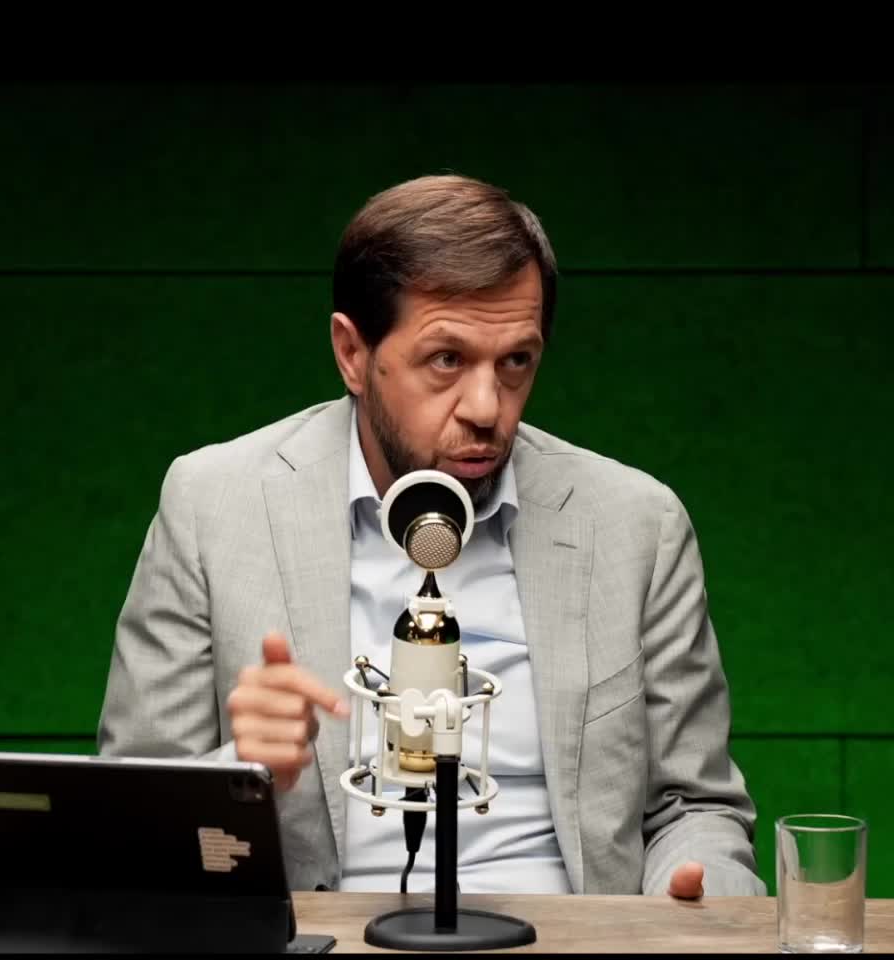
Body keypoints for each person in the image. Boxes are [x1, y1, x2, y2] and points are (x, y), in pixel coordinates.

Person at [97, 174, 765, 899]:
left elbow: (696, 807)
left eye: (516, 362)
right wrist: (239, 772)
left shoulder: (636, 525)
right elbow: (119, 824)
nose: (487, 408)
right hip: (323, 936)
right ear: (352, 354)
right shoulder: (213, 506)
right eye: (446, 360)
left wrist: (698, 906)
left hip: (572, 935)